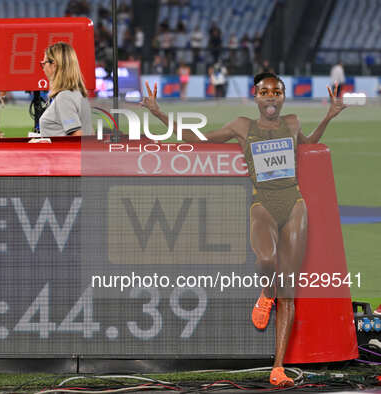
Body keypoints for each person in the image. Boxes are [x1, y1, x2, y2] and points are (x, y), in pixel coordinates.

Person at [141, 72, 347, 387]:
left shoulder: (291, 122)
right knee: (266, 259)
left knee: (289, 288)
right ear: (255, 95)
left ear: (282, 96)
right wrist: (158, 113)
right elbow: (200, 139)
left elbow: (308, 144)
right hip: (262, 203)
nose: (271, 96)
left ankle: (277, 368)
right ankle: (266, 294)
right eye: (265, 91)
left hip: (293, 203)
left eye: (276, 91)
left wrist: (328, 117)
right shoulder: (241, 126)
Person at [38, 42, 92, 137]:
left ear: (54, 65)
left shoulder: (64, 97)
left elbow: (78, 137)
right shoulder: (76, 93)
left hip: (61, 152)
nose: (43, 68)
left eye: (44, 63)